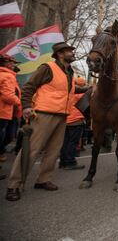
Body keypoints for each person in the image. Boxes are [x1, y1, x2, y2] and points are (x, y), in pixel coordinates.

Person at [5, 42, 83, 201]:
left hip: (63, 115)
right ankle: (13, 185)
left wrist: (88, 89)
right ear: (60, 54)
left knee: (53, 151)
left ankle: (43, 179)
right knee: (32, 149)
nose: (72, 53)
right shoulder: (47, 68)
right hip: (44, 113)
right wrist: (26, 105)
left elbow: (69, 91)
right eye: (69, 51)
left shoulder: (69, 72)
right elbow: (29, 87)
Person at [0, 54, 21, 180]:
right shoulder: (7, 75)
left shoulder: (8, 75)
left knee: (6, 137)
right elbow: (8, 96)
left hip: (6, 112)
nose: (14, 65)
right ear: (5, 63)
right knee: (4, 138)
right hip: (3, 112)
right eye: (12, 63)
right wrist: (20, 102)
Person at [59, 76, 87, 170]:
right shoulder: (82, 94)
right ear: (82, 84)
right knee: (73, 142)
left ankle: (62, 162)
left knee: (65, 142)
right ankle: (70, 162)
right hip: (76, 120)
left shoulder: (69, 91)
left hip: (66, 119)